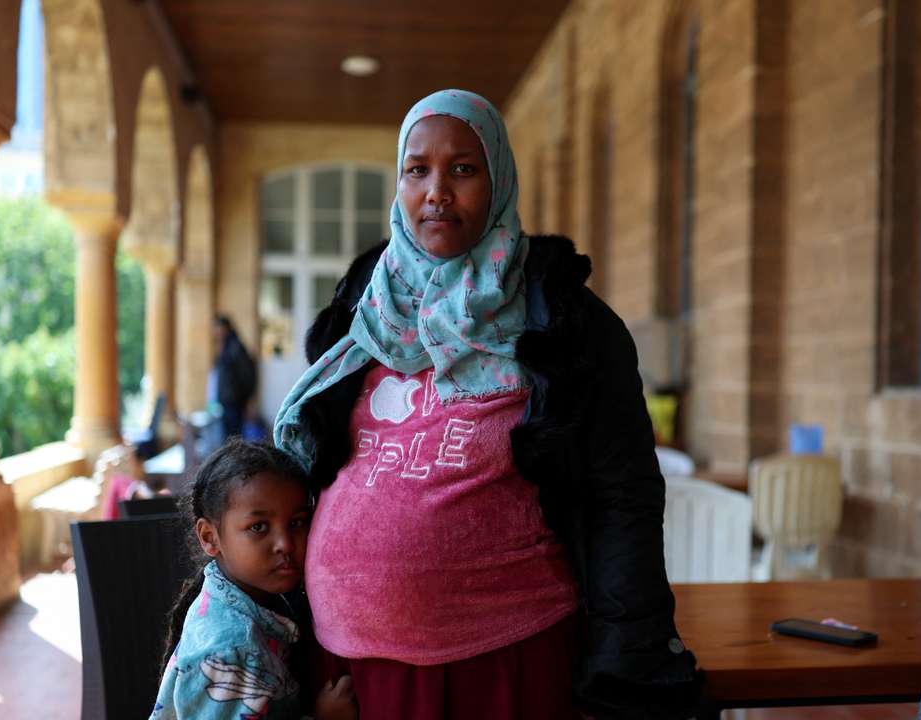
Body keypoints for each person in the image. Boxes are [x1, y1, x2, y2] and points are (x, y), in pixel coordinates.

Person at [273, 90, 702, 719]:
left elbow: (622, 499)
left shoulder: (564, 324)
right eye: (417, 169)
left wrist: (625, 664)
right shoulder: (361, 310)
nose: (437, 191)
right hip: (348, 673)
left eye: (463, 169)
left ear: (499, 178)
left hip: (500, 662)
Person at [153, 438, 357, 720]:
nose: (285, 543)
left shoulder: (252, 596)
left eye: (297, 522)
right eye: (258, 527)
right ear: (210, 537)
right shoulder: (232, 651)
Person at [211, 315, 258, 440]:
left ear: (226, 328)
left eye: (217, 327)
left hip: (235, 402)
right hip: (226, 401)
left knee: (234, 437)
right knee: (228, 437)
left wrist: (249, 399)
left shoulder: (235, 347)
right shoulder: (225, 346)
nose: (215, 331)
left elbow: (247, 374)